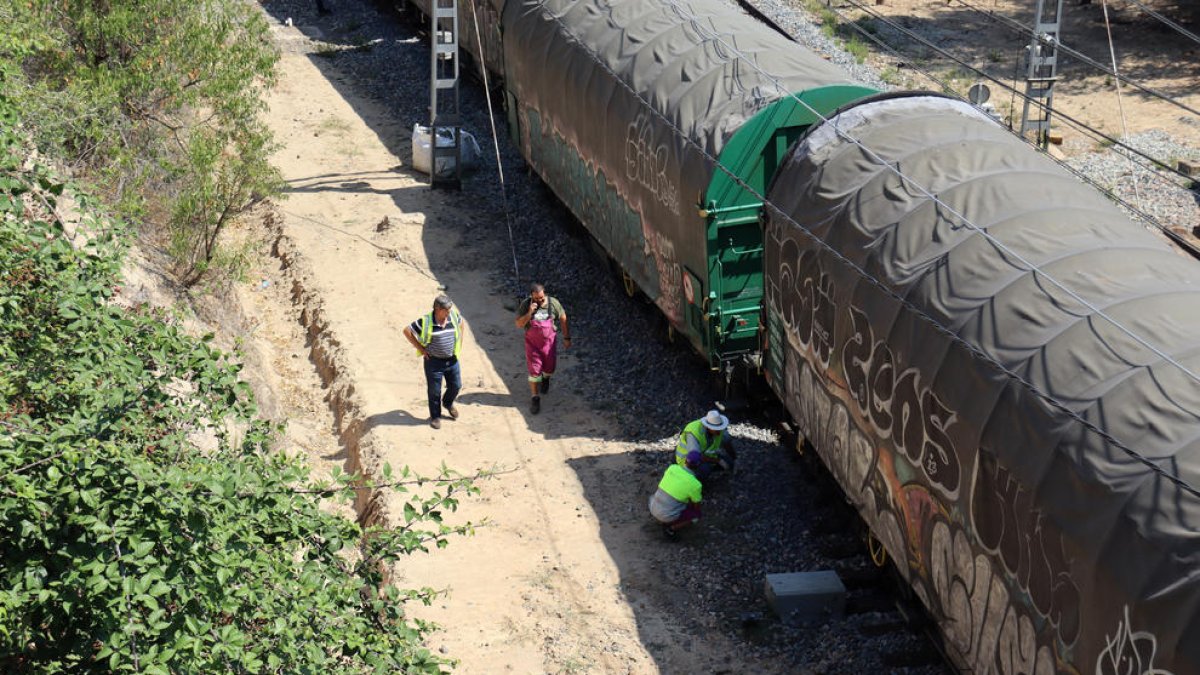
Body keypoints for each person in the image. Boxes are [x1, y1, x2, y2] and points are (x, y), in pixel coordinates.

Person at [403, 294, 466, 429]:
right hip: (434, 363)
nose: (449, 313)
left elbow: (461, 323)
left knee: (456, 385)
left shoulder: (453, 316)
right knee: (434, 391)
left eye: (450, 310)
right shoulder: (426, 321)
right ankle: (435, 416)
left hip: (452, 360)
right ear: (438, 309)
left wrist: (460, 342)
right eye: (446, 310)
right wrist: (420, 348)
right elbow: (407, 331)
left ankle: (448, 403)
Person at [514, 283, 570, 415]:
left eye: (541, 298)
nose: (539, 301)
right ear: (531, 296)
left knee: (550, 368)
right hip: (532, 345)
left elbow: (563, 318)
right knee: (534, 372)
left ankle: (546, 378)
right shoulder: (526, 304)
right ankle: (535, 398)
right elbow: (518, 324)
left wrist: (567, 337)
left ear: (544, 293)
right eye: (536, 299)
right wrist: (529, 313)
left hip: (549, 344)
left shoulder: (553, 303)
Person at [649, 450, 703, 539]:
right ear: (698, 465)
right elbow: (696, 506)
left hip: (652, 506)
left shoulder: (672, 468)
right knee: (696, 515)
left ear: (685, 460)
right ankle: (671, 528)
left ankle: (662, 520)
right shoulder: (696, 485)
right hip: (666, 515)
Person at [675, 409, 736, 481]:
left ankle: (710, 470)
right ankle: (695, 482)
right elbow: (695, 456)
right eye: (716, 430)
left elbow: (727, 443)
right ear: (708, 427)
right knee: (705, 469)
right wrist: (718, 461)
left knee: (729, 462)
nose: (719, 432)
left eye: (720, 428)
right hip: (688, 460)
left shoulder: (720, 430)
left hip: (707, 455)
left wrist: (734, 458)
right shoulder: (694, 433)